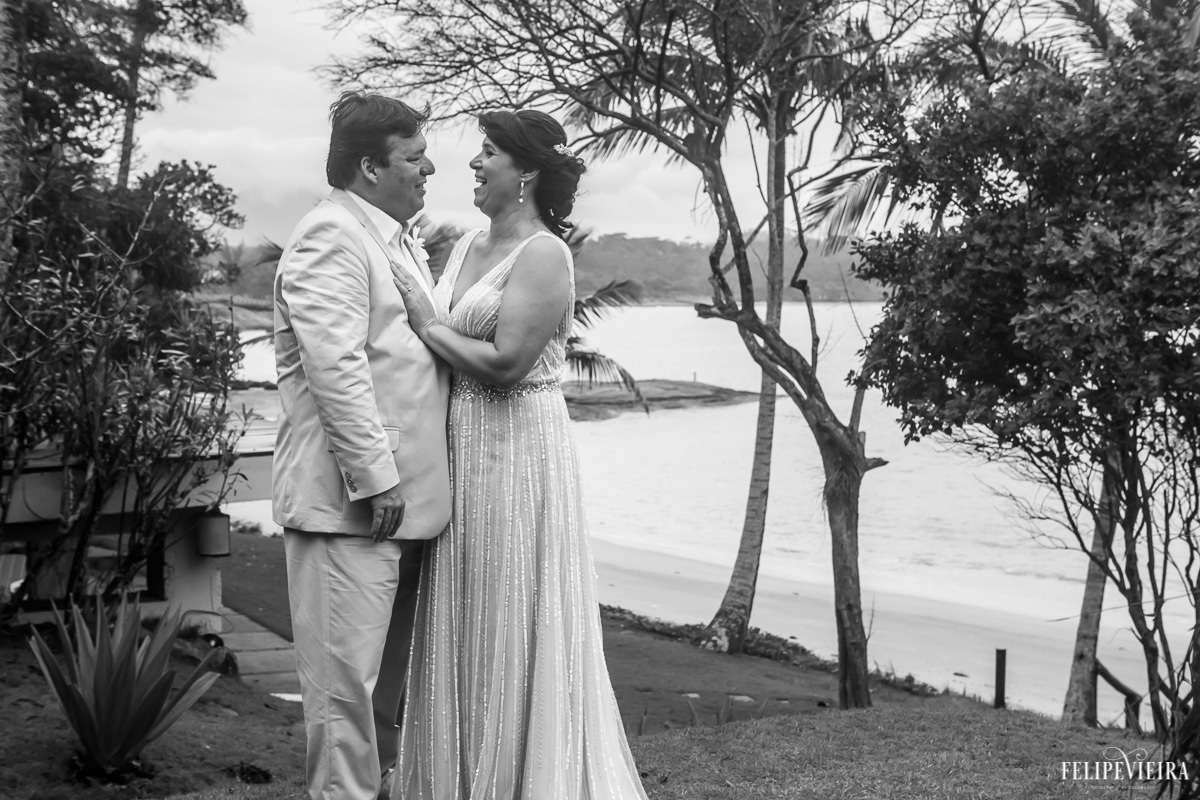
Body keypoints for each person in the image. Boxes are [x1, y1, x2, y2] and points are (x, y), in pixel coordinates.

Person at [389, 109, 650, 799]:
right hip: (460, 450)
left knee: (509, 605)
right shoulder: (474, 239)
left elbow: (505, 364)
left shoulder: (544, 253)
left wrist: (423, 323)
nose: (473, 165)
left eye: (488, 154)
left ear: (526, 171)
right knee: (460, 607)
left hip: (515, 449)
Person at [272, 91, 450, 800]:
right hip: (351, 508)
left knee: (381, 706)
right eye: (413, 156)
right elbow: (335, 366)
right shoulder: (330, 234)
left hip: (406, 508)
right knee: (344, 707)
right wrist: (375, 479)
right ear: (371, 168)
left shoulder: (392, 236)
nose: (429, 166)